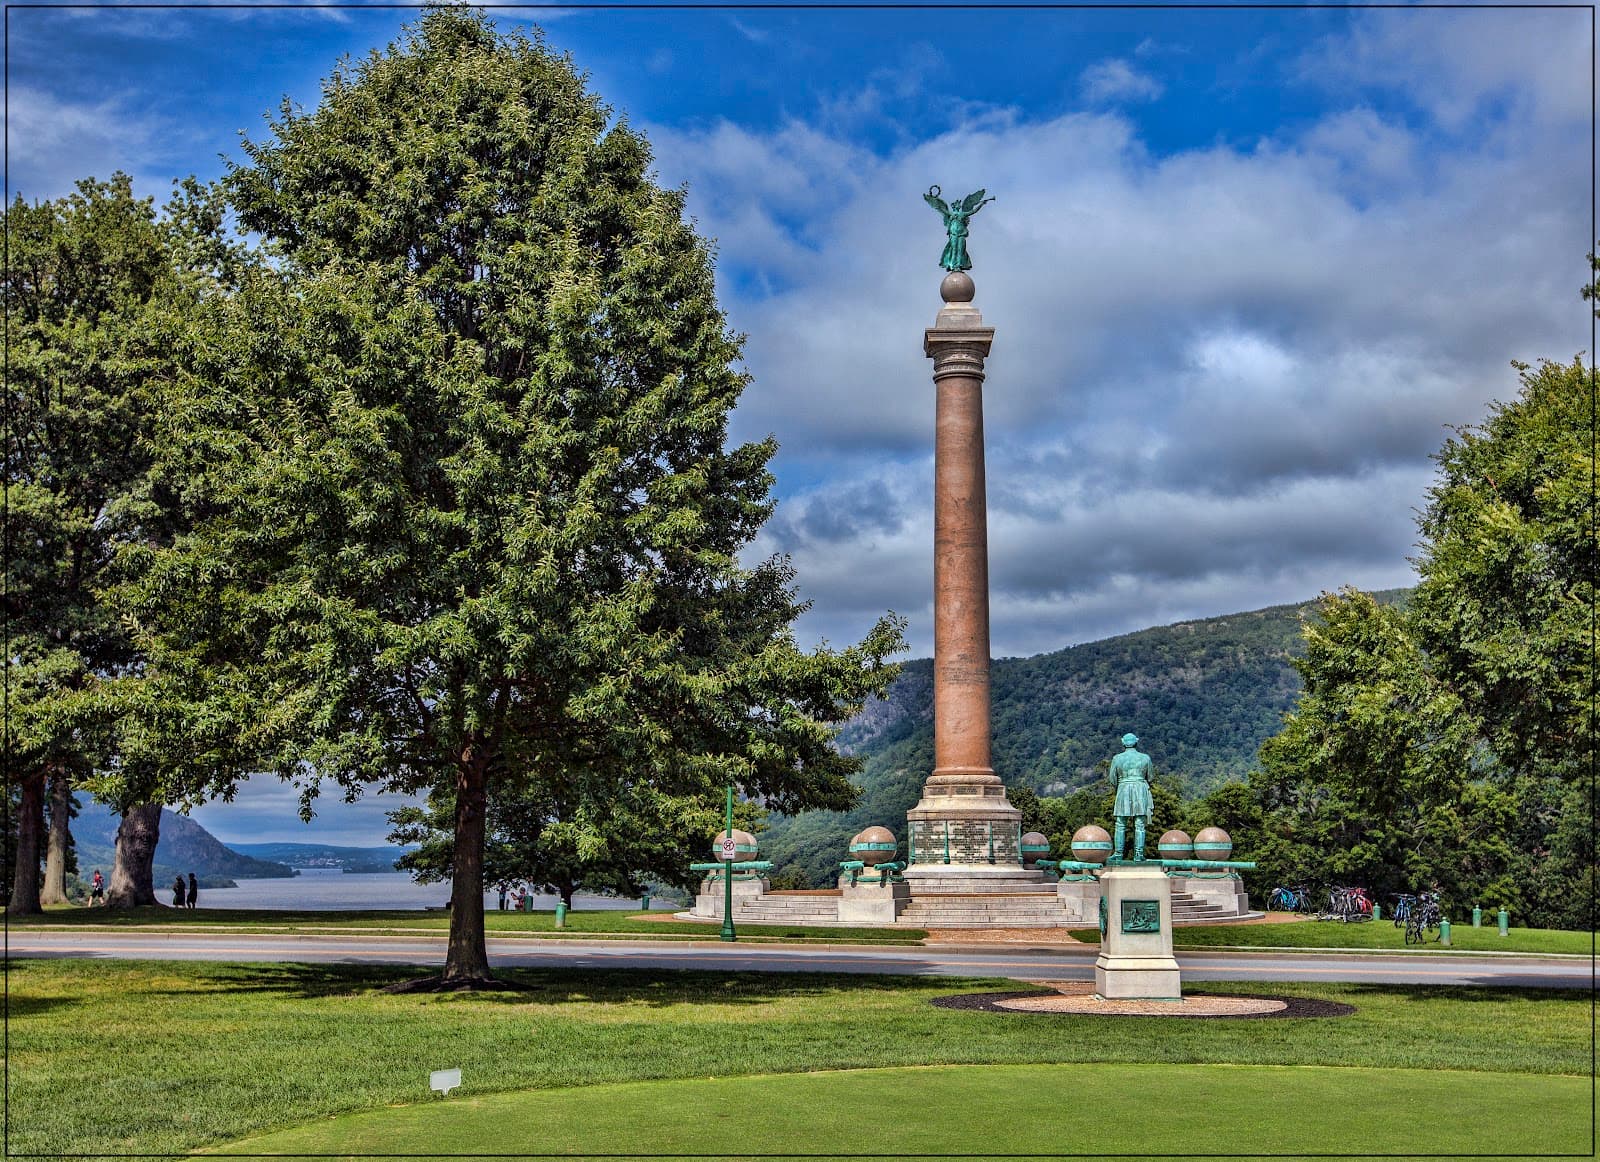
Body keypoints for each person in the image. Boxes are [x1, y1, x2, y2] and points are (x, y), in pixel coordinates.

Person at [1108, 732, 1154, 861]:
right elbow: (1150, 777)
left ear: (1123, 742)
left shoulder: (1117, 758)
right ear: (1136, 741)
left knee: (1120, 823)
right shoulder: (1145, 758)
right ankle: (1139, 855)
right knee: (1140, 824)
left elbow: (1112, 779)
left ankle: (1118, 854)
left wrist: (1122, 784)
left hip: (1123, 788)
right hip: (1140, 788)